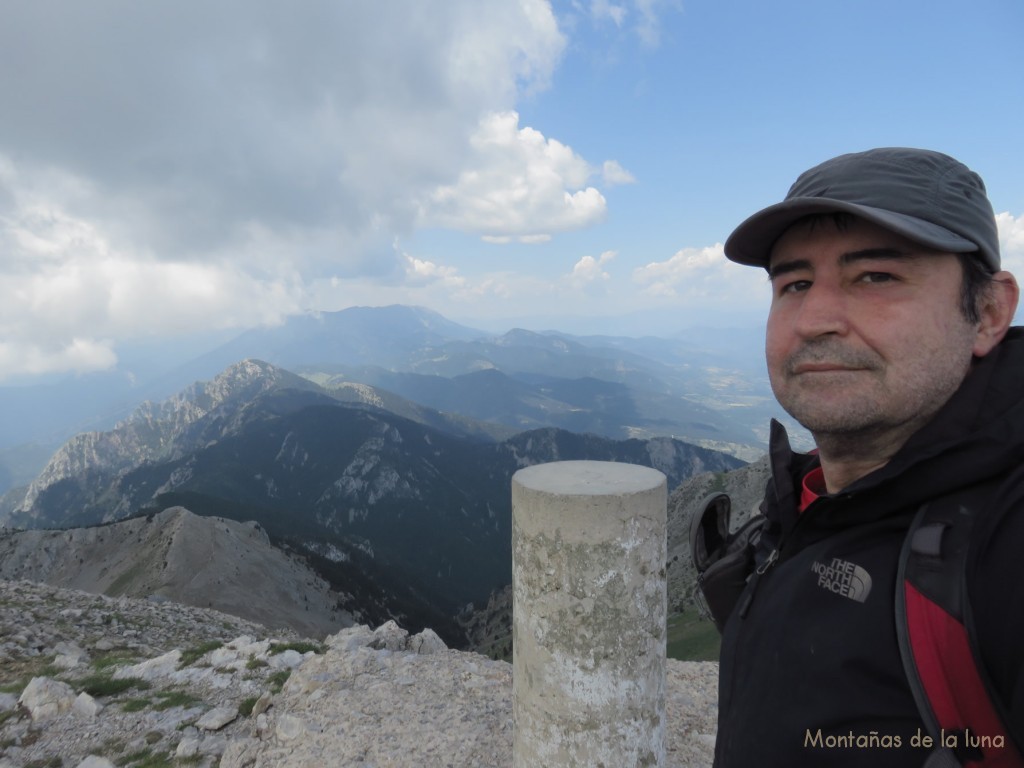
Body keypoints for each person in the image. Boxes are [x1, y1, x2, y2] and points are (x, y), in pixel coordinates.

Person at [703, 147, 1023, 767]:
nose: (814, 319)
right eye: (794, 283)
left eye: (876, 276)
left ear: (988, 313)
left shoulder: (1003, 541)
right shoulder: (801, 506)